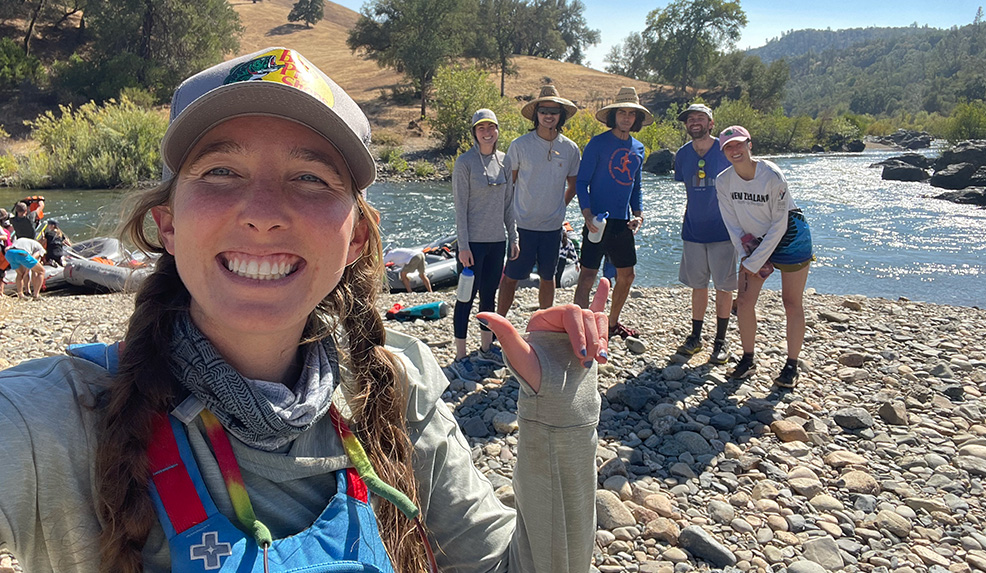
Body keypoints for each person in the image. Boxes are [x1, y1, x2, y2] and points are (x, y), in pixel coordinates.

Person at [0, 47, 610, 573]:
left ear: (356, 242)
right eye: (220, 171)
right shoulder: (56, 419)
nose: (263, 211)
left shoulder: (397, 382)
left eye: (311, 179)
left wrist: (560, 404)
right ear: (167, 227)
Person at [715, 125, 814, 388]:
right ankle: (748, 359)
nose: (735, 150)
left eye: (739, 144)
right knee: (745, 302)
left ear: (750, 144)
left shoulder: (772, 175)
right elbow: (732, 224)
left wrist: (757, 260)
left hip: (790, 235)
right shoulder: (723, 181)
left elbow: (780, 224)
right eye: (729, 147)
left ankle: (791, 365)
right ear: (723, 151)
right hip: (753, 240)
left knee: (791, 302)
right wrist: (747, 257)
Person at [498, 85, 581, 315]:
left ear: (561, 116)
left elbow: (573, 185)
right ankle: (497, 325)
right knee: (510, 277)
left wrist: (559, 208)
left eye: (554, 112)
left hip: (552, 229)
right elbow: (509, 185)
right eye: (544, 110)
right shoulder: (520, 145)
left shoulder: (571, 149)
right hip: (522, 226)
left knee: (548, 277)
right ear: (536, 114)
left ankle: (544, 327)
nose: (548, 115)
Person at [449, 108, 519, 382]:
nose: (487, 132)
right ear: (474, 134)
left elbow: (509, 205)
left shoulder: (505, 162)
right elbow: (460, 208)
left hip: (496, 242)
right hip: (472, 244)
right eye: (481, 128)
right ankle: (460, 355)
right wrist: (463, 246)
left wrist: (513, 236)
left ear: (497, 131)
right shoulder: (465, 163)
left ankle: (486, 348)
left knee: (489, 297)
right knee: (465, 298)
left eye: (491, 127)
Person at [573, 87, 648, 340]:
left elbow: (635, 184)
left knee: (627, 275)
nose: (626, 118)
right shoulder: (597, 143)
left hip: (622, 223)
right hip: (597, 221)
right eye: (622, 113)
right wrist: (586, 213)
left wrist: (638, 213)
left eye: (631, 114)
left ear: (636, 119)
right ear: (614, 115)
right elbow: (582, 182)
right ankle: (581, 327)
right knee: (587, 275)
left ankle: (612, 323)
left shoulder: (639, 148)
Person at [673, 103, 738, 364]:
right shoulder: (682, 154)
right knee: (698, 286)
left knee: (724, 287)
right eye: (690, 119)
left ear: (711, 123)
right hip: (693, 230)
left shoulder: (725, 151)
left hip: (724, 231)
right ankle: (695, 337)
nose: (695, 122)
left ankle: (721, 342)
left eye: (700, 118)